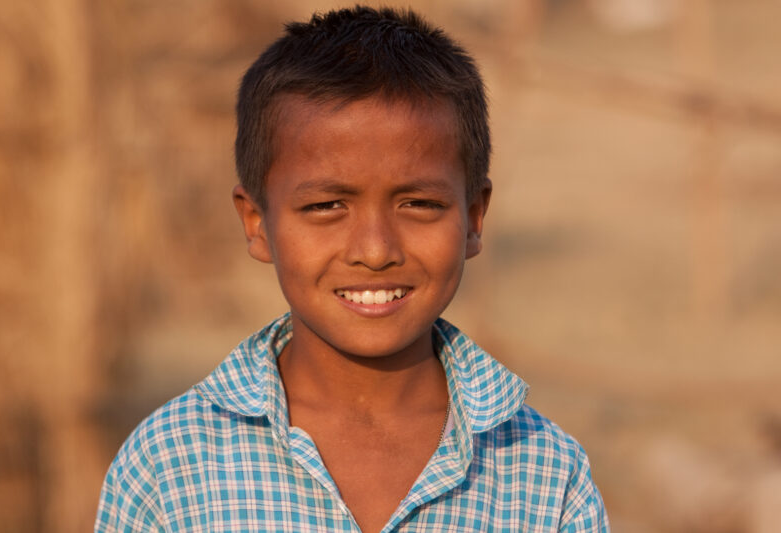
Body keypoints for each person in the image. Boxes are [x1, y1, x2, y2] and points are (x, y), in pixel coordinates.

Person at [95, 6, 609, 532]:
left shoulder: (545, 474)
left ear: (474, 218)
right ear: (256, 223)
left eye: (419, 204)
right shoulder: (170, 467)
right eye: (325, 207)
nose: (374, 250)